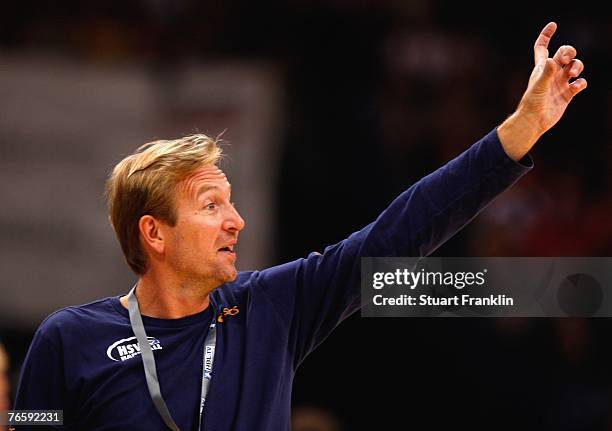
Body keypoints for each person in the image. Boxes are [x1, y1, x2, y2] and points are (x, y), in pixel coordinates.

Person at [14, 22, 586, 430]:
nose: (236, 221)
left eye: (231, 202)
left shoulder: (271, 308)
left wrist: (520, 131)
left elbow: (398, 234)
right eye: (210, 206)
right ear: (154, 233)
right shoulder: (66, 339)